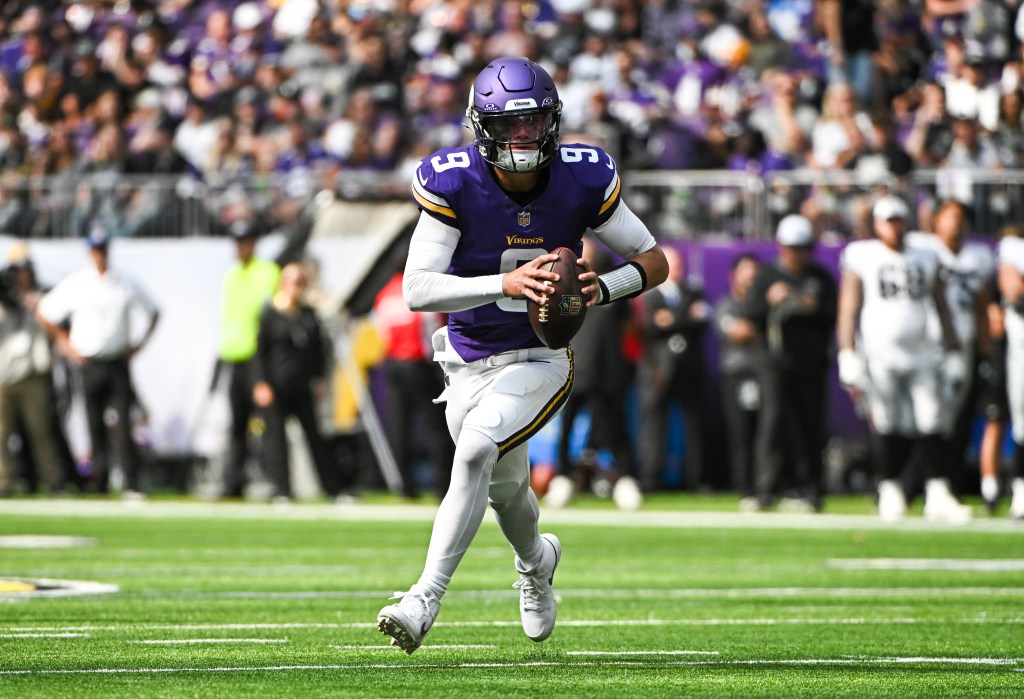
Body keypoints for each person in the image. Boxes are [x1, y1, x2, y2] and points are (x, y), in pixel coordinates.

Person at [376, 57, 669, 654]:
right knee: (506, 490)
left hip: (539, 359)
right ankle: (538, 564)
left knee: (478, 449)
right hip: (464, 360)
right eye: (507, 126)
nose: (521, 139)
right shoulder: (453, 180)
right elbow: (416, 289)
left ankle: (422, 599)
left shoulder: (583, 176)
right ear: (480, 127)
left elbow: (654, 260)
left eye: (532, 123)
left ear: (553, 122)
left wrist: (605, 287)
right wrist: (502, 284)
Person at [836, 195, 969, 522]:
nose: (894, 227)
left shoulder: (925, 255)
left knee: (931, 420)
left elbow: (941, 305)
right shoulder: (863, 256)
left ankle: (937, 492)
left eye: (898, 220)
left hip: (922, 353)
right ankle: (889, 489)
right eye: (887, 221)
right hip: (880, 356)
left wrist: (952, 350)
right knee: (886, 422)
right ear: (877, 225)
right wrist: (847, 352)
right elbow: (848, 308)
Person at [37, 226, 160, 497]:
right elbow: (45, 312)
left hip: (117, 361)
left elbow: (154, 311)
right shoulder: (78, 282)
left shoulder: (123, 281)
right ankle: (100, 481)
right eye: (96, 250)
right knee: (93, 422)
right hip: (89, 362)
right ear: (89, 252)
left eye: (103, 250)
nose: (100, 256)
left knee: (124, 422)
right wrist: (66, 343)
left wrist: (138, 345)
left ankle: (131, 481)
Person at [741, 215, 837, 512]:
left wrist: (812, 305)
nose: (796, 254)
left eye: (802, 247)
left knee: (810, 426)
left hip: (810, 363)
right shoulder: (767, 276)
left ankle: (811, 489)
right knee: (772, 425)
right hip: (774, 362)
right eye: (791, 247)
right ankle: (765, 489)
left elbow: (833, 312)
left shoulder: (820, 277)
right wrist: (769, 300)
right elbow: (749, 313)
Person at [906, 199, 993, 500]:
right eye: (949, 216)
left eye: (960, 217)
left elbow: (982, 308)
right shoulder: (923, 250)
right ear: (936, 220)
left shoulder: (977, 257)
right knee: (926, 419)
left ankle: (945, 486)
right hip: (929, 347)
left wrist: (985, 354)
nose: (955, 223)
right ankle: (911, 485)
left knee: (956, 420)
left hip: (963, 346)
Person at [252, 262, 338, 503]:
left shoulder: (308, 314)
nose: (295, 288)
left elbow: (317, 351)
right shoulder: (270, 313)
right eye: (292, 282)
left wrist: (319, 380)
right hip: (276, 386)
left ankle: (332, 488)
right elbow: (259, 351)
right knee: (276, 440)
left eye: (300, 282)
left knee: (316, 438)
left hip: (302, 386)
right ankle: (282, 490)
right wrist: (261, 383)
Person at [373, 262, 452, 501]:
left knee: (399, 426)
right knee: (436, 427)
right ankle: (443, 486)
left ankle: (405, 487)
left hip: (394, 363)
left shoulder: (385, 293)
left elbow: (380, 331)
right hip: (418, 363)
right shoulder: (418, 288)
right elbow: (432, 328)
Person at [636, 246, 710, 493]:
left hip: (689, 367)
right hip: (657, 369)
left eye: (679, 264)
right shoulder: (649, 295)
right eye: (671, 264)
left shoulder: (693, 291)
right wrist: (684, 318)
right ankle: (651, 477)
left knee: (694, 424)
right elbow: (648, 327)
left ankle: (696, 478)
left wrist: (672, 319)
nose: (677, 269)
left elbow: (702, 319)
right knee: (655, 424)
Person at [216, 221, 280, 499]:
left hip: (257, 358)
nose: (241, 247)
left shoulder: (267, 273)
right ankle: (234, 483)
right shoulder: (232, 275)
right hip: (234, 356)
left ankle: (278, 483)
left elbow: (266, 317)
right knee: (237, 425)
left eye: (246, 241)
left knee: (269, 423)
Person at [0, 243, 63, 496]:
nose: (21, 275)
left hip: (33, 375)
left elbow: (54, 325)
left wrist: (31, 305)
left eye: (25, 269)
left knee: (41, 433)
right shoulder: (4, 302)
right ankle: (4, 481)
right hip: (5, 376)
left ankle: (53, 479)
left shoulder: (44, 297)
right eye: (17, 270)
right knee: (1, 434)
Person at [712, 253, 763, 511]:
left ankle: (766, 487)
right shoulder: (727, 304)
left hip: (764, 376)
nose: (749, 281)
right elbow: (737, 332)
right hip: (736, 375)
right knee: (741, 434)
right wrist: (760, 329)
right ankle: (746, 488)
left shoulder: (761, 305)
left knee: (765, 434)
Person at [996, 227, 1024, 519]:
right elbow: (1014, 289)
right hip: (1020, 345)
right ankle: (1021, 491)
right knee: (1022, 421)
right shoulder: (1014, 249)